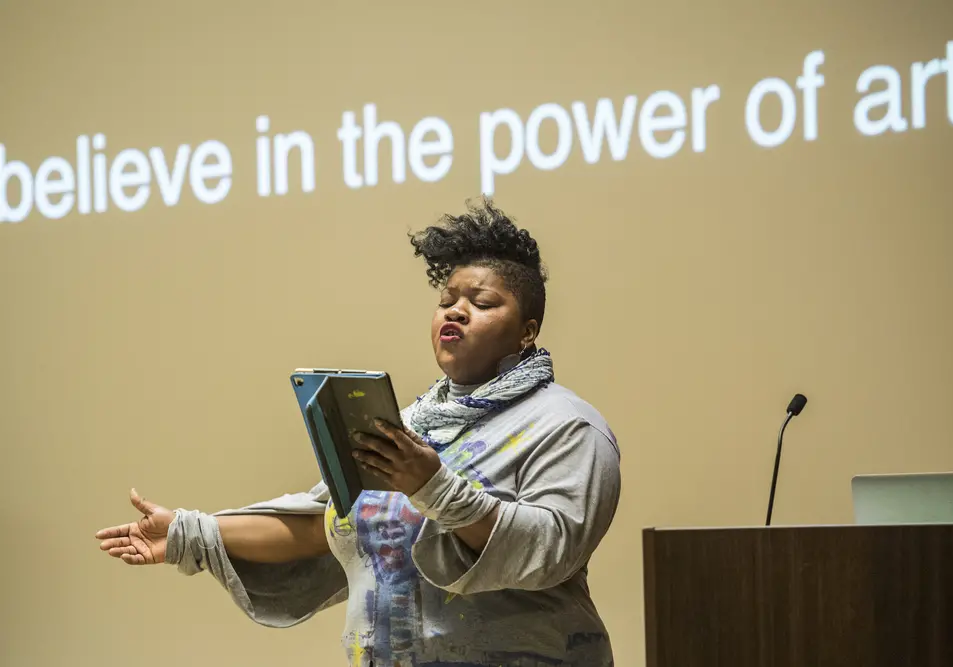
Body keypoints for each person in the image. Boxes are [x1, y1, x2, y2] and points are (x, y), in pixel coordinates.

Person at [95, 198, 622, 667]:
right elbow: (321, 522)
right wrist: (190, 531)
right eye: (446, 301)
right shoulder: (412, 424)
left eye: (481, 303)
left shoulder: (567, 425)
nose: (455, 311)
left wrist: (433, 488)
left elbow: (552, 546)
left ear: (528, 329)